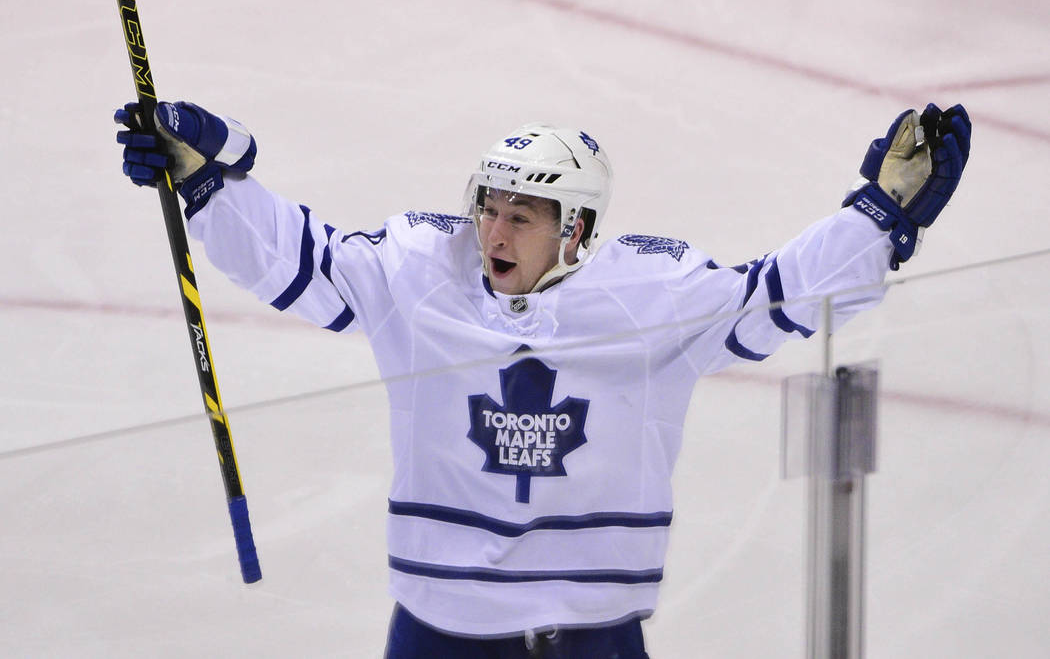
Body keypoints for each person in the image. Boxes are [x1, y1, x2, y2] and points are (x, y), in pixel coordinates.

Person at [116, 101, 970, 658]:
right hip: (442, 631)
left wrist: (881, 217)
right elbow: (305, 261)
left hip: (595, 634)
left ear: (578, 230)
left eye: (522, 215)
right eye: (488, 205)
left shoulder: (647, 296)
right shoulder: (421, 273)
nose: (494, 229)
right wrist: (208, 185)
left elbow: (769, 299)